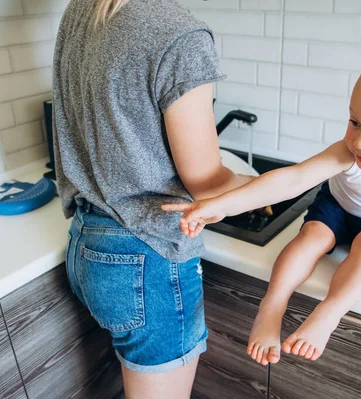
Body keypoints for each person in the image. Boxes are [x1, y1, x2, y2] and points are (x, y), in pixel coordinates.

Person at [162, 42, 361, 367]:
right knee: (312, 236)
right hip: (337, 207)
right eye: (355, 121)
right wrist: (224, 204)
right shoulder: (348, 152)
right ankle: (272, 306)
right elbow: (293, 179)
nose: (359, 141)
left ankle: (329, 314)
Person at [52, 0, 252, 397]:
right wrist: (258, 184)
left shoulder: (87, 8)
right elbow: (207, 185)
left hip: (86, 240)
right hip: (146, 257)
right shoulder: (181, 35)